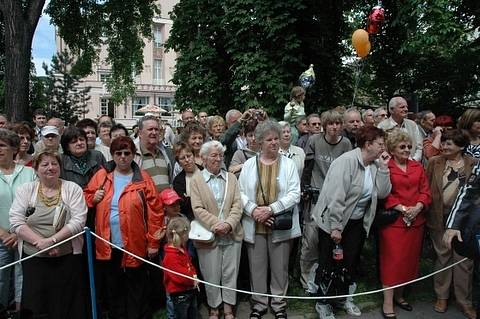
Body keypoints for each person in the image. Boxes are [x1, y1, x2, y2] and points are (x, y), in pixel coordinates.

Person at [311, 126, 391, 319]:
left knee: (349, 263)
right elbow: (335, 198)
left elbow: (382, 193)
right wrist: (336, 227)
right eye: (380, 144)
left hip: (357, 223)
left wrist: (384, 169)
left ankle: (343, 298)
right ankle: (323, 303)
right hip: (333, 221)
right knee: (329, 263)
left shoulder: (373, 165)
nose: (383, 148)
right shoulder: (345, 162)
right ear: (368, 144)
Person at [84, 136, 164, 319]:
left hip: (136, 243)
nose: (122, 157)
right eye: (118, 153)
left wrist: (153, 242)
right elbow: (86, 196)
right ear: (112, 155)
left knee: (137, 286)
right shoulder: (102, 176)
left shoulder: (143, 178)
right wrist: (93, 198)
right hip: (108, 243)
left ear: (133, 155)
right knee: (114, 287)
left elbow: (156, 213)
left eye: (127, 153)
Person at [9, 151, 88, 318]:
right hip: (34, 258)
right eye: (45, 164)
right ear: (36, 169)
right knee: (36, 302)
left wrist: (52, 241)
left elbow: (78, 221)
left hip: (66, 257)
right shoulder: (26, 189)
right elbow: (16, 221)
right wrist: (41, 243)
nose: (50, 168)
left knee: (65, 301)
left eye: (54, 164)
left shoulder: (72, 188)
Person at [238, 120, 301, 319]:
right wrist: (255, 211)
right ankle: (259, 304)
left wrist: (270, 210)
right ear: (259, 142)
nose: (274, 142)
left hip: (279, 224)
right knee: (256, 267)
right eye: (269, 139)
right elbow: (239, 193)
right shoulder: (249, 164)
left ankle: (279, 304)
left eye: (276, 138)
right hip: (254, 224)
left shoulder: (289, 164)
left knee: (280, 267)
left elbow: (294, 194)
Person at [378, 129, 431, 318]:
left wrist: (418, 207)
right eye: (402, 146)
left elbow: (425, 190)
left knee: (409, 261)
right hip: (394, 223)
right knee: (392, 262)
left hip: (416, 221)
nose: (407, 149)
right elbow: (384, 193)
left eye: (409, 146)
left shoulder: (417, 166)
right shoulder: (386, 166)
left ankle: (400, 296)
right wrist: (401, 208)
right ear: (392, 149)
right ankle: (387, 302)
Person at [425, 129, 476, 319]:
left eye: (449, 143)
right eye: (444, 142)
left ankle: (465, 301)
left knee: (464, 261)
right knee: (443, 257)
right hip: (439, 217)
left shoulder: (473, 164)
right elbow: (426, 186)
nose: (444, 146)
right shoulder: (434, 162)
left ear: (461, 146)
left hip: (465, 221)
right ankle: (442, 296)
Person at [190, 140, 244, 319]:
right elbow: (197, 209)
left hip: (232, 234)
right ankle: (214, 307)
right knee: (211, 274)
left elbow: (238, 204)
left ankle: (228, 308)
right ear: (203, 158)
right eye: (214, 155)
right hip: (209, 236)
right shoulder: (197, 180)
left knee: (230, 273)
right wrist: (216, 225)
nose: (218, 158)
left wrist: (228, 224)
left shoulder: (231, 178)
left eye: (220, 155)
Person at [300, 110, 352, 290]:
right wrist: (304, 188)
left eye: (337, 123)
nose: (334, 127)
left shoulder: (346, 144)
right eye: (330, 124)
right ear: (324, 125)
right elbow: (307, 167)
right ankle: (307, 279)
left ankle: (328, 277)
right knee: (311, 240)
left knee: (332, 242)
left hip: (337, 198)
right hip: (315, 195)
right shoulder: (314, 141)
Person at [0, 129, 36, 316]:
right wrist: (3, 233)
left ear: (13, 148)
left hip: (26, 236)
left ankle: (21, 312)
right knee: (1, 278)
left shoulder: (29, 173)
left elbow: (36, 204)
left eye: (2, 145)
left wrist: (19, 232)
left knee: (24, 277)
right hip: (1, 238)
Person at [162, 217, 199, 319]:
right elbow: (179, 276)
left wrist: (194, 274)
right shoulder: (171, 256)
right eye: (187, 234)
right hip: (180, 294)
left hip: (189, 289)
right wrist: (192, 279)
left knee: (193, 313)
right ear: (182, 236)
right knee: (182, 315)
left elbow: (189, 263)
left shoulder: (182, 249)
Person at [134, 115, 175, 191]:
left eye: (156, 129)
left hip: (167, 202)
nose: (154, 132)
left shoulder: (166, 153)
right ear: (140, 133)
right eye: (150, 129)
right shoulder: (133, 155)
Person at [377, 97, 423, 161]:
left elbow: (419, 147)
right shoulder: (382, 127)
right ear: (391, 110)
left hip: (412, 165)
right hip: (390, 166)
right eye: (402, 107)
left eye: (406, 107)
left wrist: (414, 160)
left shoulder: (412, 125)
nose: (406, 109)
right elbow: (379, 148)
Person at [172, 143, 202, 222]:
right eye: (182, 158)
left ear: (193, 156)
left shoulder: (206, 172)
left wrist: (190, 197)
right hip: (192, 220)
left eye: (189, 156)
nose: (187, 160)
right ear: (179, 163)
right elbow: (184, 206)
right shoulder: (178, 181)